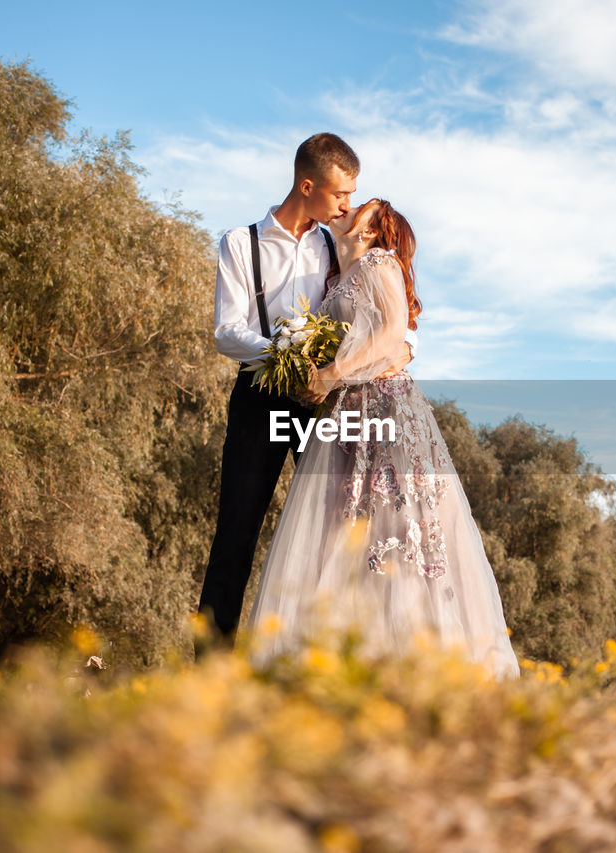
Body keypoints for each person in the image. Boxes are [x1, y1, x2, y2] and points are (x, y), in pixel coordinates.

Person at [243, 198, 522, 680]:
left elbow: (394, 330)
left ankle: (417, 659)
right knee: (347, 524)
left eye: (365, 206)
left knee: (398, 518)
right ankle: (348, 657)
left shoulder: (380, 261)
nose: (351, 206)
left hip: (385, 405)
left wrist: (330, 373)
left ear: (374, 230)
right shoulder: (334, 281)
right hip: (347, 413)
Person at [197, 133, 417, 650]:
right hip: (261, 399)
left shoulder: (336, 243)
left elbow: (379, 311)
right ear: (307, 185)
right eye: (340, 194)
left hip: (326, 403)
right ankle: (208, 666)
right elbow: (227, 331)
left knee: (338, 532)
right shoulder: (240, 243)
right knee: (237, 531)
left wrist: (400, 347)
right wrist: (288, 363)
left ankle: (328, 657)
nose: (347, 204)